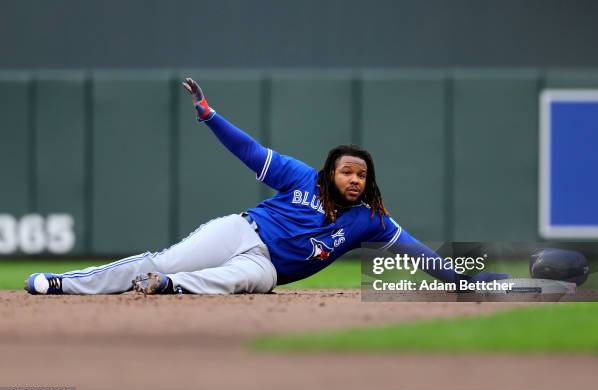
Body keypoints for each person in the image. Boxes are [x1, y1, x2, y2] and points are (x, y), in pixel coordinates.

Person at [24, 78, 508, 295]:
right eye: (348, 172)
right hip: (242, 232)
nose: (355, 180)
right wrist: (210, 116)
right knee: (163, 258)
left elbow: (422, 255)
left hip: (266, 267)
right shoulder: (302, 177)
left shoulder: (370, 220)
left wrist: (471, 280)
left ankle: (168, 289)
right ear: (331, 172)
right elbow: (251, 152)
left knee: (243, 282)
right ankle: (64, 284)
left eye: (361, 175)